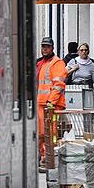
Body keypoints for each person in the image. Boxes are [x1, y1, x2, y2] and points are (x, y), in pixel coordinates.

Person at [37, 36, 67, 169]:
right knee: (41, 133)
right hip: (41, 103)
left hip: (51, 105)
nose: (44, 49)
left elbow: (58, 85)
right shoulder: (41, 63)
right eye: (43, 46)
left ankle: (48, 159)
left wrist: (51, 102)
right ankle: (44, 157)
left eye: (47, 47)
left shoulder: (57, 63)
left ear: (52, 48)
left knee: (50, 133)